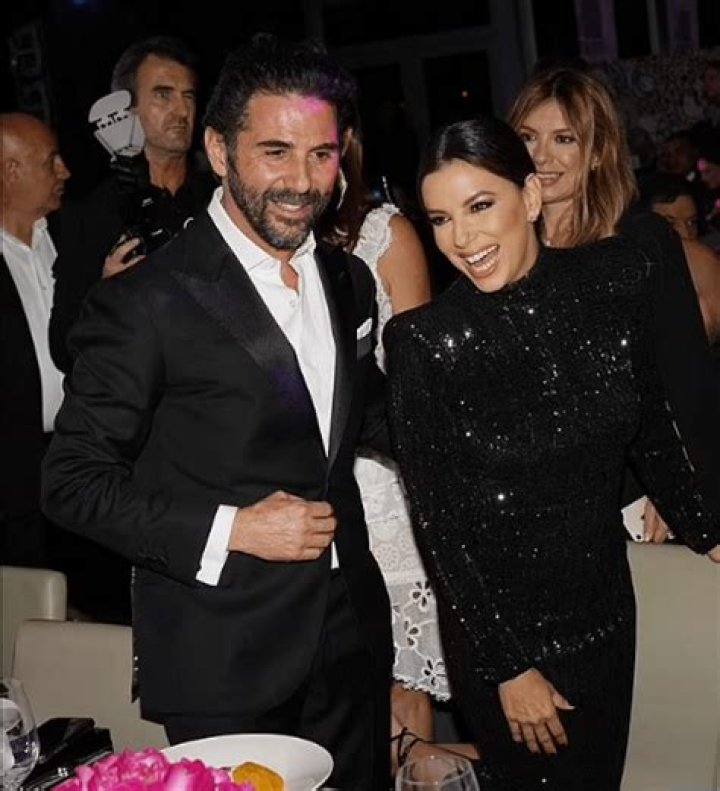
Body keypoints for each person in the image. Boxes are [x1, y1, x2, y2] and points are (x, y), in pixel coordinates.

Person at [41, 34, 393, 789]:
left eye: (322, 155)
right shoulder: (145, 301)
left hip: (351, 638)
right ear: (219, 149)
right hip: (226, 656)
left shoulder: (348, 280)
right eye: (275, 152)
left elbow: (358, 421)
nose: (302, 182)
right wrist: (236, 528)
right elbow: (71, 480)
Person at [383, 114, 720, 790]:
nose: (462, 238)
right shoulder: (426, 344)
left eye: (481, 206)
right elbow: (441, 527)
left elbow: (652, 433)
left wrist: (709, 530)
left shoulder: (614, 282)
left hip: (605, 613)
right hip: (503, 635)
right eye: (442, 219)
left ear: (531, 196)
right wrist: (509, 666)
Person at [317, 128, 480, 770]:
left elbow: (420, 381)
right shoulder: (266, 242)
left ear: (347, 143)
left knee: (402, 694)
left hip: (385, 482)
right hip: (308, 492)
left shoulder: (382, 232)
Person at [508, 64, 720, 539]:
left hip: (634, 495)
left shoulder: (641, 242)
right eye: (528, 137)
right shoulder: (504, 252)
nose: (541, 156)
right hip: (544, 504)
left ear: (598, 151)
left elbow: (685, 376)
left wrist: (681, 486)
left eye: (564, 139)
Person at [49, 35, 216, 375]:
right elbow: (64, 349)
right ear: (126, 110)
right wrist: (107, 294)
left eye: (188, 96)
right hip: (145, 400)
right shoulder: (91, 215)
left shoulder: (221, 200)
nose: (181, 110)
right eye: (163, 95)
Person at [1, 113, 70, 567]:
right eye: (51, 161)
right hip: (11, 479)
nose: (65, 171)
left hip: (82, 458)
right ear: (12, 170)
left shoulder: (72, 234)